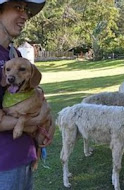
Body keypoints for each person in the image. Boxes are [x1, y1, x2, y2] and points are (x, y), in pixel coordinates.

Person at [0, 0, 55, 189]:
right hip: (4, 164)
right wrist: (33, 121)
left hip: (25, 158)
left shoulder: (13, 53)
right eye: (17, 8)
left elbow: (33, 95)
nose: (24, 15)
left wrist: (46, 123)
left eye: (25, 10)